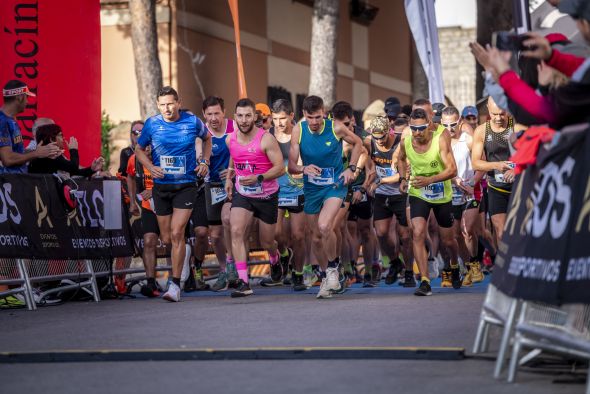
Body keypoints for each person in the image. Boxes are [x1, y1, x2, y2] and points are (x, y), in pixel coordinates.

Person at [135, 86, 211, 302]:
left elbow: (207, 139)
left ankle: (175, 284)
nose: (167, 108)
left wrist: (204, 161)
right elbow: (139, 150)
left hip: (186, 185)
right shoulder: (152, 124)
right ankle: (182, 258)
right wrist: (150, 167)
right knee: (167, 237)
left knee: (177, 233)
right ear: (158, 106)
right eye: (163, 104)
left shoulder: (192, 121)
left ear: (179, 102)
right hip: (161, 187)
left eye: (171, 103)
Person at [288, 95, 363, 299]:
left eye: (318, 117)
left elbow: (358, 144)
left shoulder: (336, 127)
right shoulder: (299, 130)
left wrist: (352, 169)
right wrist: (304, 168)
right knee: (316, 238)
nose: (314, 122)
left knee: (324, 226)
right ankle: (326, 276)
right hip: (312, 188)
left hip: (335, 185)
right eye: (310, 117)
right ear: (304, 114)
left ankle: (332, 270)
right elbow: (291, 165)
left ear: (324, 113)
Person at [224, 98, 285, 297]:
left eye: (248, 115)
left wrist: (259, 177)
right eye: (240, 116)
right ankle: (244, 282)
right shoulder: (230, 139)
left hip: (267, 195)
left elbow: (280, 169)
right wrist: (229, 177)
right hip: (244, 193)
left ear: (254, 117)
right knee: (236, 231)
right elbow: (235, 156)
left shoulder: (266, 139)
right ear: (235, 117)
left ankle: (276, 259)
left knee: (267, 242)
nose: (243, 120)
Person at [398, 109, 460, 296]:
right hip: (418, 191)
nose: (417, 133)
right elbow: (400, 159)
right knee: (416, 233)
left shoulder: (439, 139)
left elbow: (452, 170)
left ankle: (455, 265)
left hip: (441, 193)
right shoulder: (406, 142)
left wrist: (430, 180)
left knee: (448, 240)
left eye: (422, 128)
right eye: (414, 129)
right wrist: (402, 178)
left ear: (429, 126)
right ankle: (425, 280)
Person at [365, 116, 414, 287]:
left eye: (382, 137)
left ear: (389, 132)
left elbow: (404, 175)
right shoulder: (369, 142)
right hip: (382, 194)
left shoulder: (400, 143)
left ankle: (409, 272)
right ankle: (395, 262)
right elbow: (365, 163)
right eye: (375, 137)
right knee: (381, 233)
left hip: (401, 193)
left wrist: (380, 181)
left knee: (405, 236)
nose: (379, 141)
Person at [471, 97, 526, 247]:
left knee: (520, 231)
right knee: (500, 231)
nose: (498, 118)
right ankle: (504, 267)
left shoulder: (517, 127)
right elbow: (475, 162)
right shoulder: (481, 131)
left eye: (501, 114)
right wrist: (496, 165)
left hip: (518, 187)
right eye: (494, 114)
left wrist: (516, 168)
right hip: (496, 187)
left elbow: (532, 154)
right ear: (488, 110)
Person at [441, 106, 485, 287]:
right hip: (451, 192)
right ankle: (467, 265)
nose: (450, 129)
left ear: (460, 123)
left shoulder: (468, 140)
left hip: (470, 190)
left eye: (453, 125)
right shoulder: (439, 142)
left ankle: (475, 263)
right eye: (445, 125)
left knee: (467, 231)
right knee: (456, 235)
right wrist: (454, 181)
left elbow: (481, 164)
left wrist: (472, 183)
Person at [201, 96, 239, 292]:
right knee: (215, 236)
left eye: (217, 113)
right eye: (209, 114)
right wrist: (202, 166)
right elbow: (198, 157)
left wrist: (234, 173)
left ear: (224, 112)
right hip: (212, 185)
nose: (214, 118)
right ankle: (224, 269)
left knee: (229, 221)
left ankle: (235, 267)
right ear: (204, 115)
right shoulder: (202, 133)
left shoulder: (235, 127)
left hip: (235, 185)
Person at [268, 99, 306, 291]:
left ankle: (298, 274)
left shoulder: (300, 134)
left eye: (282, 118)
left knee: (298, 235)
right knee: (275, 233)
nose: (279, 123)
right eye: (275, 119)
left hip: (298, 190)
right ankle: (284, 255)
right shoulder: (268, 135)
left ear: (291, 116)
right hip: (275, 190)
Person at [0, 80, 61, 173]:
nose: (27, 102)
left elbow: (17, 154)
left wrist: (43, 151)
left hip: (16, 181)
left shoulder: (10, 120)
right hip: (6, 184)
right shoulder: (2, 121)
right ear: (19, 97)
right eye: (27, 97)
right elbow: (8, 159)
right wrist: (36, 153)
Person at [28, 124, 105, 176]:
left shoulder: (55, 155)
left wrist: (92, 169)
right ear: (52, 139)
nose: (64, 138)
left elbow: (74, 171)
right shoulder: (49, 156)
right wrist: (73, 150)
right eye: (61, 135)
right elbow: (73, 168)